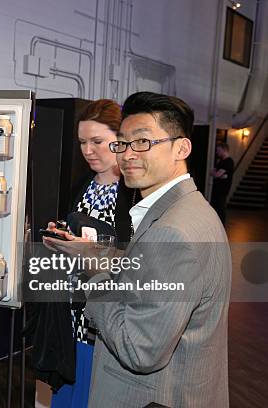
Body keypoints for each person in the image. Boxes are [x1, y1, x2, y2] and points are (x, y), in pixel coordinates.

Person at [47, 91, 231, 407]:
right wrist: (94, 252)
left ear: (181, 148)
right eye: (123, 143)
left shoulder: (174, 231)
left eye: (143, 142)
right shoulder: (190, 210)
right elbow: (150, 270)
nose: (129, 154)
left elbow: (139, 350)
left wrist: (95, 278)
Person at [41, 99, 136, 408]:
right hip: (69, 310)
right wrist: (59, 240)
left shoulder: (133, 192)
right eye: (83, 142)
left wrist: (91, 251)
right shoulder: (83, 184)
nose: (88, 150)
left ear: (120, 140)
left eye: (97, 141)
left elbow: (137, 258)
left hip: (103, 314)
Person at [210, 142, 234, 224]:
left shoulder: (229, 162)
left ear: (224, 150)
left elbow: (216, 174)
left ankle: (221, 227)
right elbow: (212, 172)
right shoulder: (220, 161)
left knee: (220, 208)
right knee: (215, 207)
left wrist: (217, 175)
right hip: (217, 188)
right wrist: (220, 175)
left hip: (222, 190)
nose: (217, 152)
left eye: (218, 150)